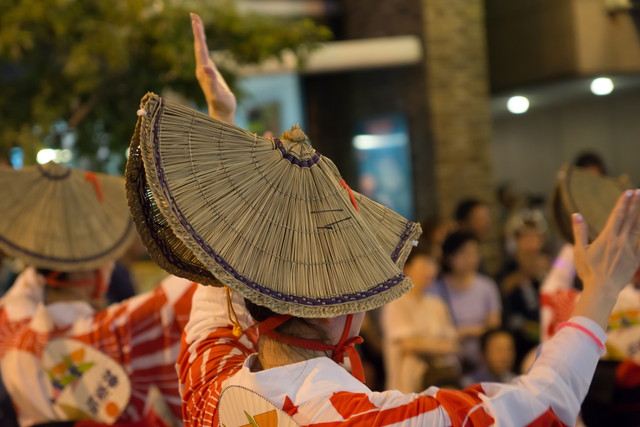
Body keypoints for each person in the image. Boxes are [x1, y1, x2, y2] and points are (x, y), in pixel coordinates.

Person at [125, 14, 640, 427]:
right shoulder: (367, 417)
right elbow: (543, 403)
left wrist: (224, 123)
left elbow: (222, 271)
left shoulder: (209, 386)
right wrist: (601, 287)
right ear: (336, 311)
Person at [0, 162, 196, 427]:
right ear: (98, 275)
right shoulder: (114, 336)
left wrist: (43, 233)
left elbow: (31, 279)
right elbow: (182, 295)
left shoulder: (10, 320)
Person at [381, 250, 459, 392]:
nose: (430, 271)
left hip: (437, 381)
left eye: (432, 265)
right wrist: (438, 346)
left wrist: (422, 344)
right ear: (407, 269)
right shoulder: (396, 303)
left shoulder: (437, 304)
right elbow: (407, 344)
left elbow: (452, 345)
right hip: (405, 386)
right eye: (424, 266)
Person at [430, 231, 501, 372]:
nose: (472, 259)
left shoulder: (487, 286)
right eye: (465, 253)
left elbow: (494, 325)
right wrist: (477, 329)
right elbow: (432, 330)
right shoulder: (435, 289)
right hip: (447, 361)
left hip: (483, 362)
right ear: (449, 257)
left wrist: (464, 332)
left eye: (475, 253)